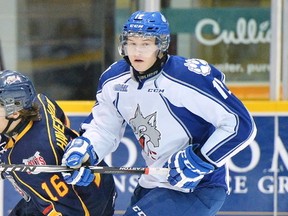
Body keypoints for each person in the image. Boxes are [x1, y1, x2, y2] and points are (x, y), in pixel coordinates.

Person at [61, 11, 257, 216]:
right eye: (131, 42)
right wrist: (87, 150)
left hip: (199, 186)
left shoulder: (187, 77)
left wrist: (201, 160)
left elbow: (240, 125)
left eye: (146, 44)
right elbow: (103, 128)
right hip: (154, 181)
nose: (137, 50)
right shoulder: (114, 80)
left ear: (161, 45)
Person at [0, 70, 116, 216]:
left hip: (89, 204)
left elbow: (74, 210)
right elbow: (63, 120)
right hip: (84, 186)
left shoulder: (33, 158)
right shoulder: (40, 102)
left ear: (15, 113)